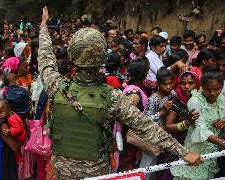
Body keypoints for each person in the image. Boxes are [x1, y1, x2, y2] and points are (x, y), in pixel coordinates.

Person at [38, 6, 202, 179]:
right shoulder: (113, 97)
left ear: (71, 55)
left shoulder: (55, 85)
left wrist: (43, 27)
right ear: (102, 57)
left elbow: (45, 58)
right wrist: (183, 153)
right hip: (96, 174)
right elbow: (146, 127)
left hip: (61, 172)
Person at [171, 71, 225, 180]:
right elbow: (201, 129)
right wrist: (223, 143)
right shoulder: (194, 101)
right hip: (196, 149)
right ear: (202, 87)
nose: (213, 93)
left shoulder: (221, 99)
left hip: (212, 150)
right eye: (208, 89)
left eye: (217, 89)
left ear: (222, 87)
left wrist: (223, 123)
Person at [157, 71, 200, 180]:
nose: (186, 87)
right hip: (177, 144)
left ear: (197, 84)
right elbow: (168, 127)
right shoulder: (176, 102)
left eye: (191, 83)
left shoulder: (201, 100)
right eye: (183, 83)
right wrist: (187, 123)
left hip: (195, 143)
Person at [0, 98, 26, 163]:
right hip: (19, 138)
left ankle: (20, 161)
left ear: (8, 109)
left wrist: (10, 131)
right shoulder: (10, 115)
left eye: (1, 112)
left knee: (16, 151)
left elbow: (18, 129)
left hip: (20, 139)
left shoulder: (12, 119)